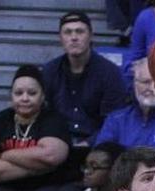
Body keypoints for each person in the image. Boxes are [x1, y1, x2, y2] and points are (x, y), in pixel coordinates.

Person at [40, 11, 130, 148]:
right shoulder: (49, 71)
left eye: (80, 31)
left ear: (90, 36)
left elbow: (114, 120)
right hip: (57, 145)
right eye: (68, 32)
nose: (74, 37)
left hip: (98, 146)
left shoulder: (109, 72)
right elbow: (43, 115)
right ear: (60, 38)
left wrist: (89, 143)